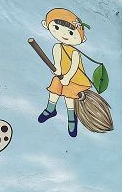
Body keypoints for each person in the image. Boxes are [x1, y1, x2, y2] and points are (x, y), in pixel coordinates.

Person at [37, 8, 92, 137]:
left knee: (69, 98)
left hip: (75, 79)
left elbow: (74, 67)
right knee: (54, 90)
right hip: (61, 76)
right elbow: (57, 63)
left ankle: (72, 118)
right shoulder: (57, 47)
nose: (64, 34)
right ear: (47, 25)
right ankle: (51, 109)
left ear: (81, 39)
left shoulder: (75, 52)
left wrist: (67, 78)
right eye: (56, 27)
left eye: (71, 32)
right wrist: (56, 70)